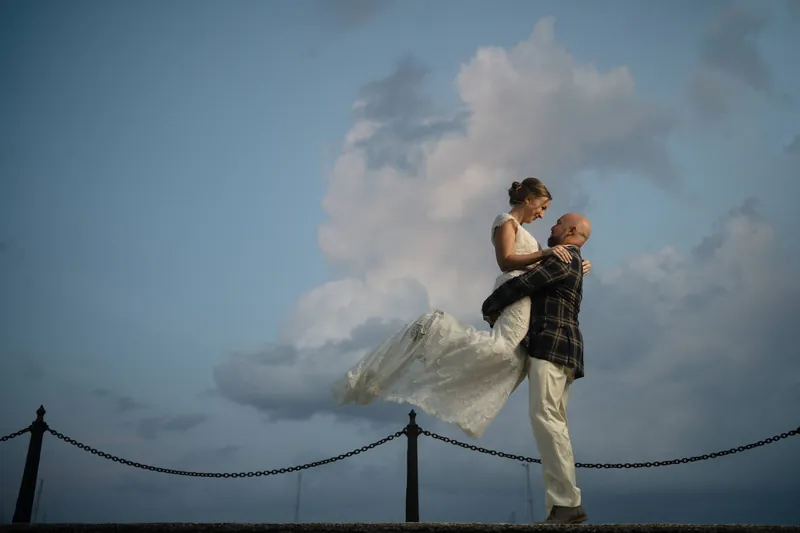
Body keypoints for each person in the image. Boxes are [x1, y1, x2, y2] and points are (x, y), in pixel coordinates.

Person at [331, 178, 591, 439]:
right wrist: (546, 254)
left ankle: (454, 379)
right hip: (515, 296)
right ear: (528, 200)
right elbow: (507, 261)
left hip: (526, 301)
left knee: (511, 360)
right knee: (500, 350)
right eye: (542, 207)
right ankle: (434, 330)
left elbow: (544, 270)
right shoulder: (505, 221)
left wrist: (575, 266)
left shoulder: (531, 238)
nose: (543, 214)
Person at [481, 212, 591, 525]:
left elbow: (524, 285)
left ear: (570, 230)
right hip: (565, 350)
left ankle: (566, 504)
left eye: (557, 222)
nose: (551, 226)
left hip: (551, 346)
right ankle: (562, 504)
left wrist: (489, 307)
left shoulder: (563, 257)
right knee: (553, 422)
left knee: (546, 418)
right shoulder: (573, 261)